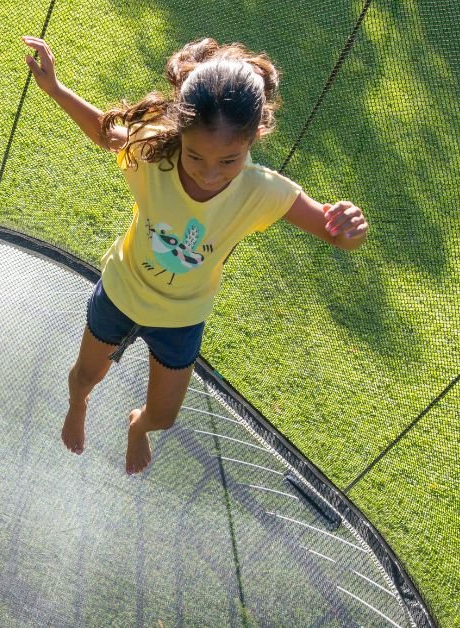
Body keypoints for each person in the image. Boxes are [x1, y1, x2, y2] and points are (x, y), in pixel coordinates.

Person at [22, 35, 368, 475]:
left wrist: (352, 227)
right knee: (85, 375)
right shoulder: (153, 153)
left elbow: (337, 235)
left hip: (181, 317)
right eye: (195, 156)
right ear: (178, 133)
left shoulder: (262, 191)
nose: (209, 174)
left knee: (163, 417)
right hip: (122, 289)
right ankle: (78, 404)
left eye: (229, 160)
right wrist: (55, 90)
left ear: (255, 136)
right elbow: (104, 132)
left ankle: (136, 428)